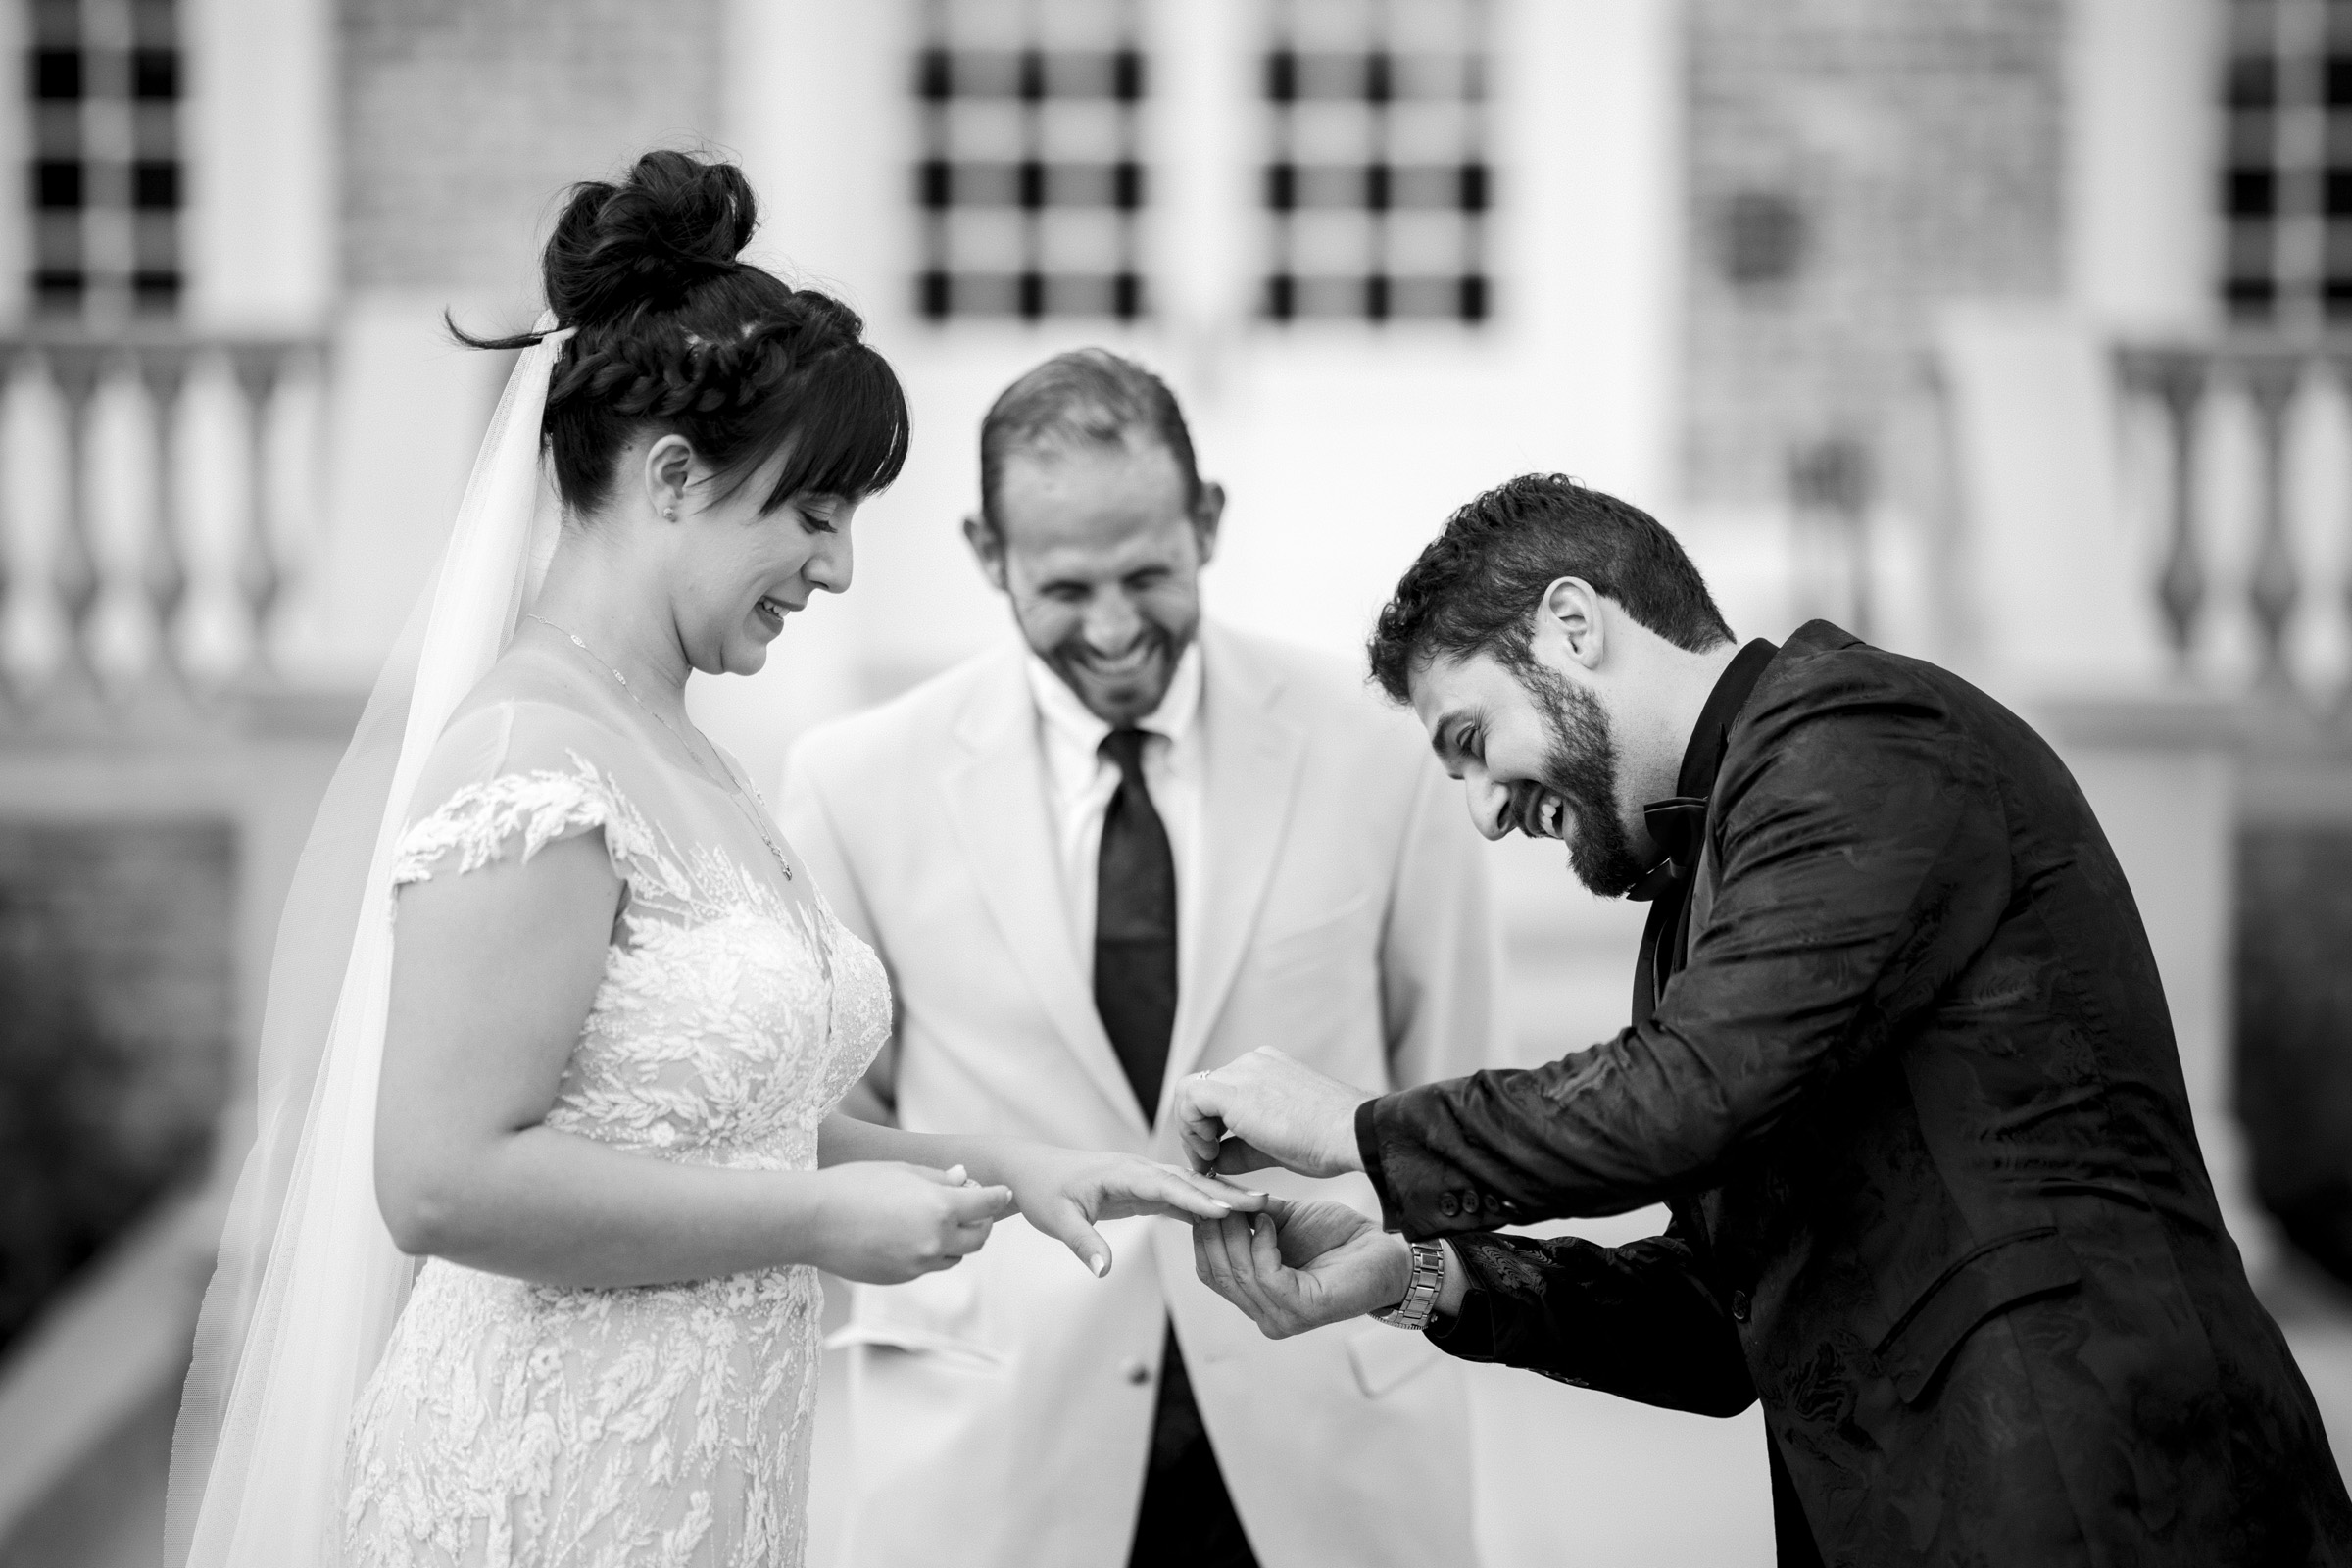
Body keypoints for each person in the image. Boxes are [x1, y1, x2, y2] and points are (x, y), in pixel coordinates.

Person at [166, 153, 1254, 1568]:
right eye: (815, 513)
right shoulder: (529, 762)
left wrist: (1018, 1164)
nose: (843, 568)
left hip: (705, 1485)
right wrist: (816, 1221)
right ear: (675, 478)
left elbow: (723, 1126)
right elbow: (442, 1181)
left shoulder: (688, 754)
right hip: (547, 1491)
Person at [1175, 474, 2352, 1566]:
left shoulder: (1860, 736)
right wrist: (1424, 1274)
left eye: (1472, 744)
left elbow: (1690, 1090)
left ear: (1574, 624)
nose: (1482, 814)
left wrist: (1361, 1129)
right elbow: (1719, 1316)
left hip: (2110, 1504)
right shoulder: (1700, 889)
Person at [775, 349, 1498, 1568]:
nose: (1114, 628)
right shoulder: (852, 785)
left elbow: (1460, 1091)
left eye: (1149, 574)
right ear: (985, 551)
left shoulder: (1384, 748)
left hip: (1330, 1420)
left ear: (1208, 521)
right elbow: (843, 1129)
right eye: (1065, 586)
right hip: (995, 1449)